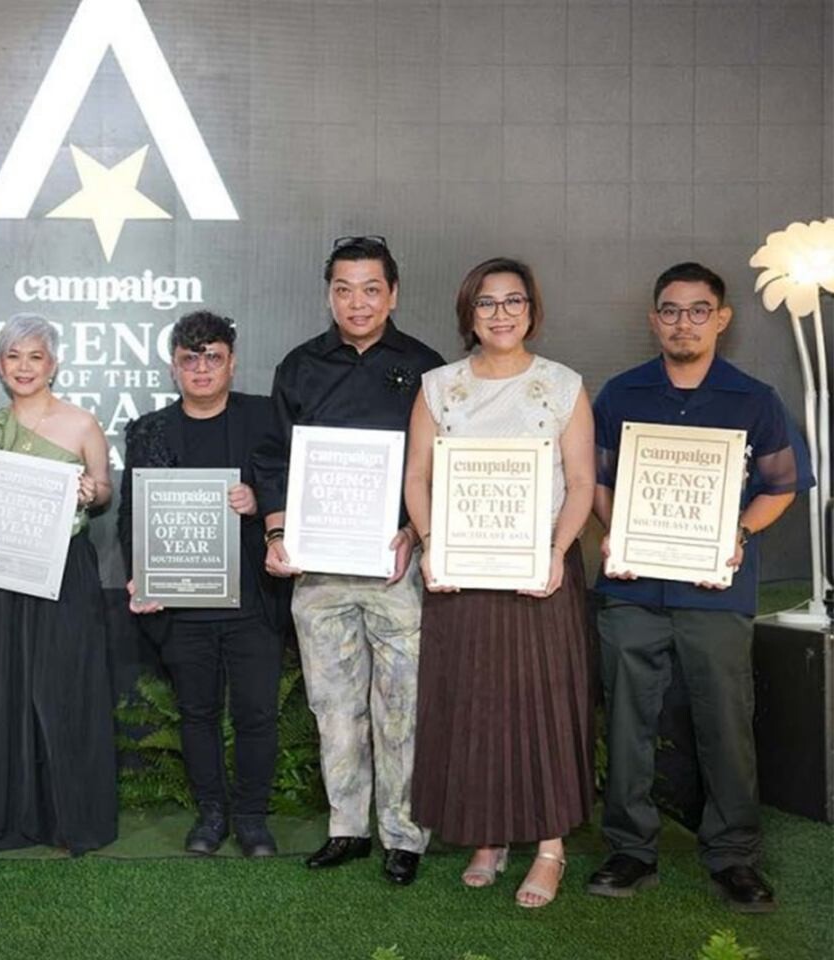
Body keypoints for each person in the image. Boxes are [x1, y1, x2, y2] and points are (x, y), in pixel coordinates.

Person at [587, 262, 813, 913]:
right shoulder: (622, 394)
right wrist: (617, 531)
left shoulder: (754, 399)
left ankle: (734, 856)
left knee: (725, 721)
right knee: (627, 720)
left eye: (697, 310)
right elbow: (597, 479)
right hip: (632, 590)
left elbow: (782, 486)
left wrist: (738, 530)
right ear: (653, 319)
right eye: (670, 310)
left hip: (717, 592)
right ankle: (630, 850)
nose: (682, 322)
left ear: (721, 318)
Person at [404, 257, 596, 908]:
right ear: (469, 314)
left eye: (514, 301)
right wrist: (431, 544)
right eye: (487, 303)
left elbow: (581, 483)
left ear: (532, 310)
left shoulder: (562, 386)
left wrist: (558, 551)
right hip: (462, 576)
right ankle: (487, 839)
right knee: (474, 705)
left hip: (540, 573)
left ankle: (549, 847)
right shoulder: (439, 387)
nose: (501, 314)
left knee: (545, 706)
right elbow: (417, 477)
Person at [251, 235, 443, 884]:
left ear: (393, 294)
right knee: (334, 708)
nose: (357, 303)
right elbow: (273, 459)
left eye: (370, 289)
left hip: (395, 568)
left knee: (401, 708)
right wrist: (277, 533)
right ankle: (347, 828)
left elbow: (441, 465)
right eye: (343, 290)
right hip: (321, 573)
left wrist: (414, 532)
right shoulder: (299, 367)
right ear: (329, 295)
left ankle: (404, 835)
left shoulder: (427, 368)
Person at [0, 314, 118, 854]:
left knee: (62, 688)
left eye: (35, 357)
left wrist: (90, 491)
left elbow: (105, 491)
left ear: (53, 364)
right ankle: (1, 813)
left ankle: (67, 817)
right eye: (13, 356)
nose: (24, 367)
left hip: (63, 570)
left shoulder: (82, 424)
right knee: (1, 691)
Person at [118, 310, 285, 857]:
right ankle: (212, 814)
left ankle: (253, 819)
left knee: (257, 714)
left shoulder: (264, 418)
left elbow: (291, 486)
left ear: (232, 362)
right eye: (190, 358)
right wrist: (140, 575)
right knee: (197, 714)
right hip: (182, 603)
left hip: (253, 601)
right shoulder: (149, 431)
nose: (202, 368)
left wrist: (258, 502)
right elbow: (131, 515)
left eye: (213, 356)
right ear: (174, 367)